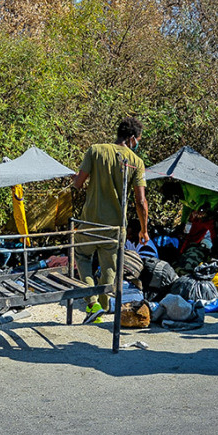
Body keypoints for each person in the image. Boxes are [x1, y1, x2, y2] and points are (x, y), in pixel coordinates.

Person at [73, 116, 148, 324]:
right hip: (115, 227)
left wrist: (74, 180)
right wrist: (144, 230)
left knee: (82, 257)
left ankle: (93, 303)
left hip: (89, 222)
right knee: (110, 268)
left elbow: (77, 184)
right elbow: (141, 201)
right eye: (138, 139)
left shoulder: (95, 150)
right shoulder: (136, 162)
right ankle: (103, 307)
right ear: (132, 138)